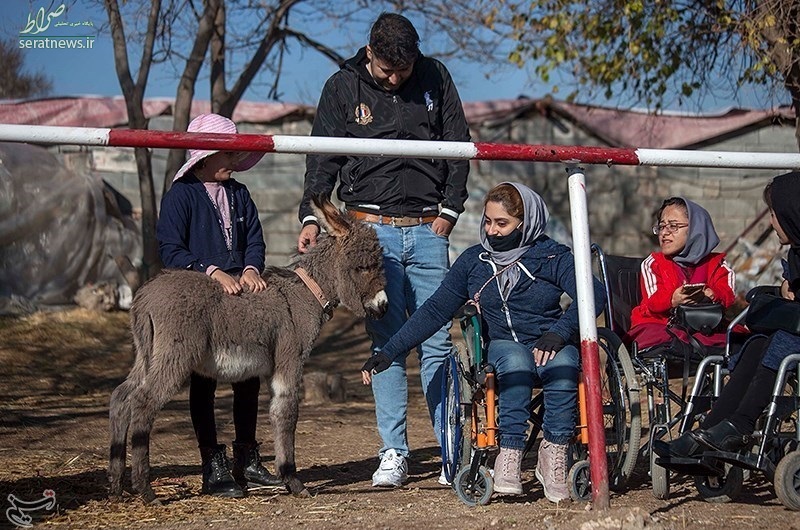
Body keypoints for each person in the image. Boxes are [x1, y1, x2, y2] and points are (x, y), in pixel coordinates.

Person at [296, 12, 471, 488]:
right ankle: (394, 451)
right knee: (388, 344)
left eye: (404, 70)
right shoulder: (342, 87)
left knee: (438, 342)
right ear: (369, 52)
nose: (396, 79)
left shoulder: (436, 77)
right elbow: (322, 157)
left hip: (428, 227)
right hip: (371, 233)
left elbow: (460, 145)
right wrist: (313, 216)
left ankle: (451, 447)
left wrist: (449, 212)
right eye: (388, 70)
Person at [361, 182, 606, 503]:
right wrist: (390, 350)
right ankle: (510, 454)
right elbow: (435, 309)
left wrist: (559, 333)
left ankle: (554, 454)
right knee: (516, 362)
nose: (492, 230)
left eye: (502, 223)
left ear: (526, 222)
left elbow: (594, 294)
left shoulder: (551, 256)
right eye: (488, 221)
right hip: (504, 345)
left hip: (550, 340)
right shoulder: (474, 261)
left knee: (564, 363)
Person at [157, 113, 282, 498]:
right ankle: (211, 461)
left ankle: (246, 454)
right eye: (227, 153)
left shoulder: (240, 194)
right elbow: (170, 249)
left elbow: (255, 240)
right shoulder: (181, 196)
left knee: (248, 374)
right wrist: (211, 271)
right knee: (204, 378)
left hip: (241, 300)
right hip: (200, 300)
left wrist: (248, 267)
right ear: (205, 157)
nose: (233, 160)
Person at [654, 171, 800, 458]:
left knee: (778, 342)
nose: (771, 222)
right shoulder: (796, 255)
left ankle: (739, 425)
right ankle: (708, 431)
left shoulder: (717, 264)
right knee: (757, 342)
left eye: (774, 214)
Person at [626, 197, 736, 350]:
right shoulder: (654, 263)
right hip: (659, 323)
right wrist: (673, 300)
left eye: (673, 226)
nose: (664, 233)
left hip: (703, 324)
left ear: (695, 229)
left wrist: (711, 294)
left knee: (736, 340)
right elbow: (653, 301)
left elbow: (728, 295)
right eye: (661, 227)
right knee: (666, 340)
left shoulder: (717, 264)